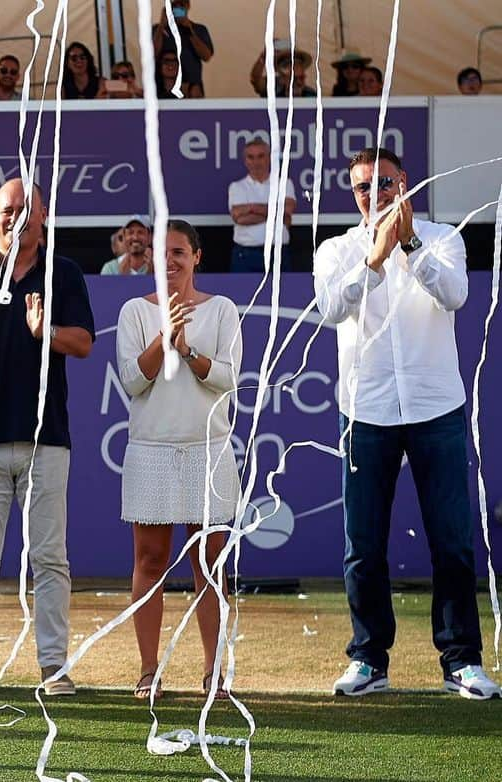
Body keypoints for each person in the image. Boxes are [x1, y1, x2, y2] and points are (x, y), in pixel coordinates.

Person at [313, 147, 500, 700]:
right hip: (364, 409)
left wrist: (409, 245)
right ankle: (369, 659)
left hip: (434, 406)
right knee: (363, 544)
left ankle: (462, 661)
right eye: (363, 188)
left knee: (452, 542)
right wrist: (374, 259)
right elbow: (329, 309)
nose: (375, 196)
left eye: (384, 183)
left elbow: (457, 294)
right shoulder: (337, 249)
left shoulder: (443, 237)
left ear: (406, 184)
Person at [0, 179, 95, 697]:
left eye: (26, 210)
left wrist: (43, 332)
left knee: (49, 557)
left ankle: (53, 666)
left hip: (46, 440)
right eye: (8, 210)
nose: (16, 218)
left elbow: (85, 343)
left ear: (43, 217)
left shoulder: (63, 273)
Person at [115, 219, 241, 700]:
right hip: (151, 453)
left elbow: (229, 378)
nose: (168, 262)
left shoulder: (222, 310)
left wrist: (187, 350)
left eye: (179, 252)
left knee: (210, 567)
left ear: (196, 257)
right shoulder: (133, 312)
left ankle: (213, 674)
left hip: (209, 454)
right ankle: (150, 672)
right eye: (159, 252)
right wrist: (163, 338)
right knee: (149, 562)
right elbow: (132, 380)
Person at [228, 137, 296, 272]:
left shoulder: (284, 183)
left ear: (269, 158)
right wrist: (276, 214)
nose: (256, 162)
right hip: (245, 255)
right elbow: (239, 218)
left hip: (278, 254)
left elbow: (287, 211)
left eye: (260, 156)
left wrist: (252, 208)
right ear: (245, 160)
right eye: (251, 157)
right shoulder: (237, 187)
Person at [152, 0, 213, 97]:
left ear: (188, 6)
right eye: (174, 5)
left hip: (191, 90)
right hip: (163, 89)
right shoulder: (157, 29)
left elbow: (206, 56)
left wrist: (189, 30)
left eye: (181, 5)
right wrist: (161, 25)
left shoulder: (199, 29)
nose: (177, 8)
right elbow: (152, 54)